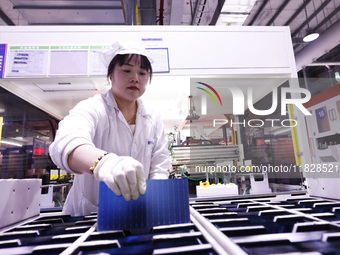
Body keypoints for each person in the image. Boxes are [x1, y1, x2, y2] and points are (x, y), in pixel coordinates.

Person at [49, 41, 171, 216]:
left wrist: (154, 198)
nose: (135, 78)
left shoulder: (152, 117)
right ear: (111, 75)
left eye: (142, 73)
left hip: (139, 214)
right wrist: (103, 163)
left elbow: (160, 163)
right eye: (127, 70)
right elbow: (65, 143)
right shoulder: (92, 108)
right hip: (89, 217)